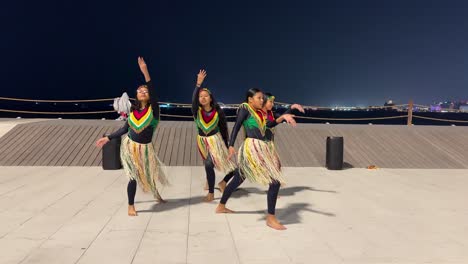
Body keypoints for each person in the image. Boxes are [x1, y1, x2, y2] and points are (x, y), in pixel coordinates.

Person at [96, 57, 168, 216]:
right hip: (129, 148)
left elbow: (154, 93)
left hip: (146, 149)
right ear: (136, 95)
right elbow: (124, 129)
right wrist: (108, 137)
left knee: (149, 172)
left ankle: (156, 194)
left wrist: (145, 73)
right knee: (133, 176)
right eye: (139, 90)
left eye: (145, 91)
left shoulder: (154, 111)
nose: (143, 92)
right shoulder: (133, 113)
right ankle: (131, 205)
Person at [216, 88, 296, 230]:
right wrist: (231, 145)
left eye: (262, 98)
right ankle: (270, 218)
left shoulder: (259, 113)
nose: (262, 100)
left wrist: (283, 117)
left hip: (261, 147)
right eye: (259, 98)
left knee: (238, 178)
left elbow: (269, 125)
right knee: (274, 181)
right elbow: (236, 126)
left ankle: (221, 206)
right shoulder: (245, 109)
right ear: (250, 99)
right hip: (252, 148)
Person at [192, 69, 236, 201]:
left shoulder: (218, 112)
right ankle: (211, 189)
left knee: (232, 168)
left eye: (206, 96)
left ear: (211, 98)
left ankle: (221, 183)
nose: (203, 98)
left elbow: (223, 130)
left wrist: (228, 145)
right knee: (208, 164)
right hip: (202, 142)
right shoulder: (196, 111)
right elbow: (193, 100)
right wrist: (198, 84)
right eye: (200, 96)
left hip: (216, 142)